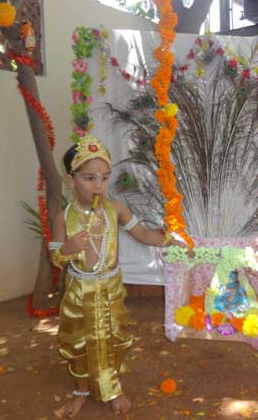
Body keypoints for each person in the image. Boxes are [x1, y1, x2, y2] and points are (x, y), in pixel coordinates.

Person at [49, 134, 187, 418]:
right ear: (70, 179)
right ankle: (81, 390)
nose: (98, 185)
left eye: (104, 177)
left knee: (114, 338)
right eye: (89, 178)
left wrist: (170, 241)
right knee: (78, 342)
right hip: (78, 292)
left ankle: (113, 388)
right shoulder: (64, 217)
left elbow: (143, 234)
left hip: (110, 289)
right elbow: (56, 258)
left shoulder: (116, 210)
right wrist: (68, 248)